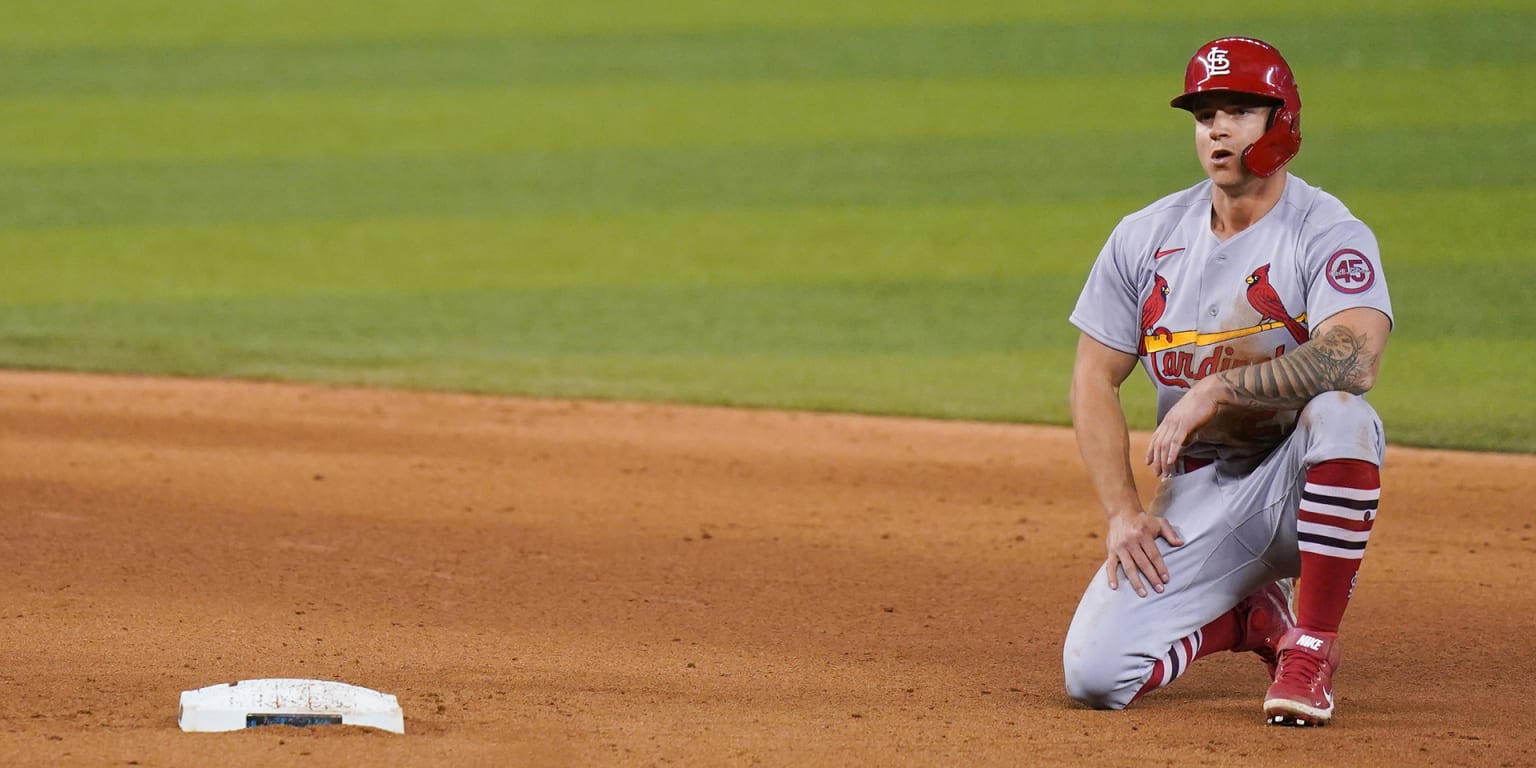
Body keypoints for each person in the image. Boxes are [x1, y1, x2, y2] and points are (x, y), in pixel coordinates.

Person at [1060, 36, 1393, 726]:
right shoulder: (1145, 237)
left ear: (1283, 123)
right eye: (1204, 113)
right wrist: (1124, 512)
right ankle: (1247, 620)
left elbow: (1356, 357)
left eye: (1239, 111)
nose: (1216, 128)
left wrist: (1215, 390)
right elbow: (1093, 376)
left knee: (1343, 415)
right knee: (1095, 678)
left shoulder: (1325, 230)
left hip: (1299, 483)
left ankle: (1311, 643)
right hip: (1201, 492)